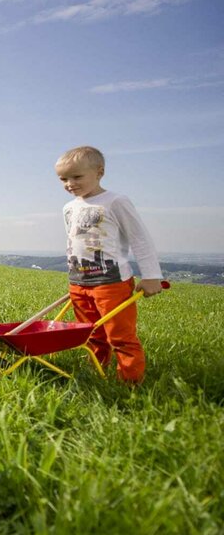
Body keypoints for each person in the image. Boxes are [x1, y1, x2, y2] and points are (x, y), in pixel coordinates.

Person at [56, 146, 163, 383]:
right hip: (79, 282)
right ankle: (97, 372)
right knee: (90, 334)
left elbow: (139, 238)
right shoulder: (69, 208)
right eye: (63, 179)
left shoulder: (115, 201)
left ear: (99, 172)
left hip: (111, 283)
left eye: (77, 176)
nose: (70, 184)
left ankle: (130, 383)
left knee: (120, 336)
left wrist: (151, 275)